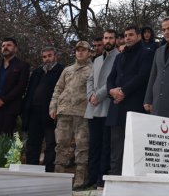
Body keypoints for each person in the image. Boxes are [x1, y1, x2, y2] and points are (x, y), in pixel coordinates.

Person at [106, 26, 153, 175]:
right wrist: (111, 91)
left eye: (131, 35)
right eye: (125, 35)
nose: (127, 38)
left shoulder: (147, 53)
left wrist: (123, 92)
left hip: (134, 107)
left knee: (134, 149)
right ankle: (114, 179)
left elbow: (142, 76)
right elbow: (110, 77)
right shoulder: (119, 56)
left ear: (139, 36)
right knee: (116, 150)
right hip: (116, 108)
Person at [50, 41, 94, 190]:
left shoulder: (93, 69)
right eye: (78, 50)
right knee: (61, 144)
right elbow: (58, 88)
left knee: (82, 146)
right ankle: (59, 177)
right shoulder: (67, 70)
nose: (80, 52)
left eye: (83, 50)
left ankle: (80, 179)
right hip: (64, 112)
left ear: (89, 52)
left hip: (82, 113)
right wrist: (53, 106)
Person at [84, 29, 120, 189]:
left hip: (106, 106)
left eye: (110, 38)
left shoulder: (119, 57)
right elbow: (90, 79)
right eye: (105, 38)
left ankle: (101, 179)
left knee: (106, 146)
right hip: (93, 107)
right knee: (94, 146)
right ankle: (91, 178)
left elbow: (113, 80)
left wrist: (98, 96)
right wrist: (90, 95)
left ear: (116, 40)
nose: (107, 40)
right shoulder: (97, 59)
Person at [22, 46, 64, 172]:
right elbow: (29, 93)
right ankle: (31, 170)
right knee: (32, 144)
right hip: (34, 113)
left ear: (55, 56)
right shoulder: (37, 72)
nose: (47, 59)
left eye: (49, 56)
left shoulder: (62, 70)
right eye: (44, 57)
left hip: (51, 113)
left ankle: (48, 171)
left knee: (51, 144)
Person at [0, 37, 30, 136]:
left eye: (9, 45)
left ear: (15, 49)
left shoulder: (23, 66)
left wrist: (2, 101)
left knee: (3, 142)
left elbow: (20, 87)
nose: (5, 47)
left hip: (9, 110)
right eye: (3, 46)